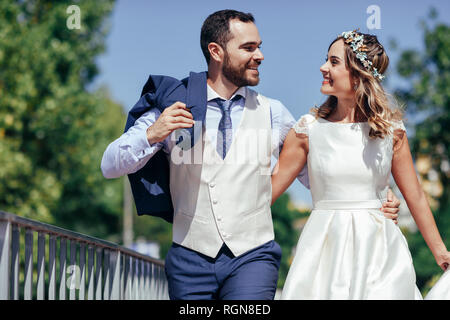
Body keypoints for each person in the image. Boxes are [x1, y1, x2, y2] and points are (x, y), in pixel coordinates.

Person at [101, 11, 400, 300]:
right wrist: (153, 133)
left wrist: (375, 201)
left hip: (253, 257)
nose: (260, 56)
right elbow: (110, 164)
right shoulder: (173, 104)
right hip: (188, 258)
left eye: (259, 47)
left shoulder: (274, 113)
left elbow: (324, 173)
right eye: (248, 48)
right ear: (216, 51)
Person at [271, 30, 450, 299]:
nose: (323, 67)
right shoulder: (307, 131)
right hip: (323, 251)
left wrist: (441, 252)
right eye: (326, 60)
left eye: (333, 62)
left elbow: (416, 197)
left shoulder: (392, 132)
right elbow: (267, 193)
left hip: (379, 251)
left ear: (357, 74)